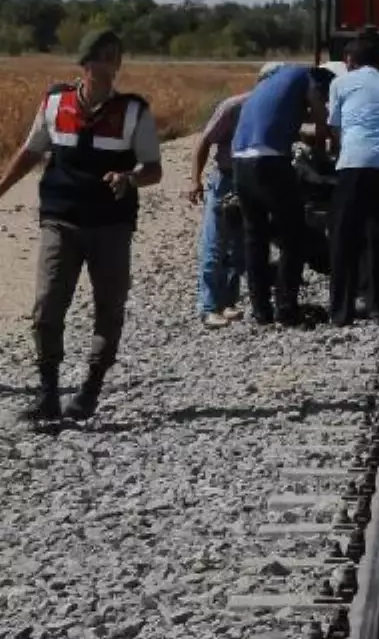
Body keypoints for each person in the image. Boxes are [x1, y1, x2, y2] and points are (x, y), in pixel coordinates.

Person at [0, 28, 162, 423]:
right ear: (86, 63)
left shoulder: (133, 111)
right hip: (61, 220)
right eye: (104, 57)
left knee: (109, 309)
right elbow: (30, 151)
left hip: (111, 226)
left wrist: (130, 179)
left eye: (116, 57)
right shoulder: (55, 103)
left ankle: (90, 389)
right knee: (46, 308)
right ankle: (48, 392)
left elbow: (154, 168)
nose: (111, 66)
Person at [232, 63, 330, 325]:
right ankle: (287, 308)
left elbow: (280, 121)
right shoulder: (305, 76)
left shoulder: (265, 87)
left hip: (240, 162)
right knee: (294, 236)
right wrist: (325, 147)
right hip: (271, 164)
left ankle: (261, 310)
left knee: (256, 238)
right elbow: (321, 120)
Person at [188, 62, 284, 329]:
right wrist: (195, 181)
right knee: (215, 243)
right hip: (226, 178)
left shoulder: (276, 109)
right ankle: (207, 307)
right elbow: (204, 142)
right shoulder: (234, 106)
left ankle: (228, 301)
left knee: (240, 245)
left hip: (252, 181)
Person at [326, 29, 379, 325]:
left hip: (356, 163)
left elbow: (335, 128)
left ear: (349, 60)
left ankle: (340, 310)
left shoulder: (341, 82)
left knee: (344, 237)